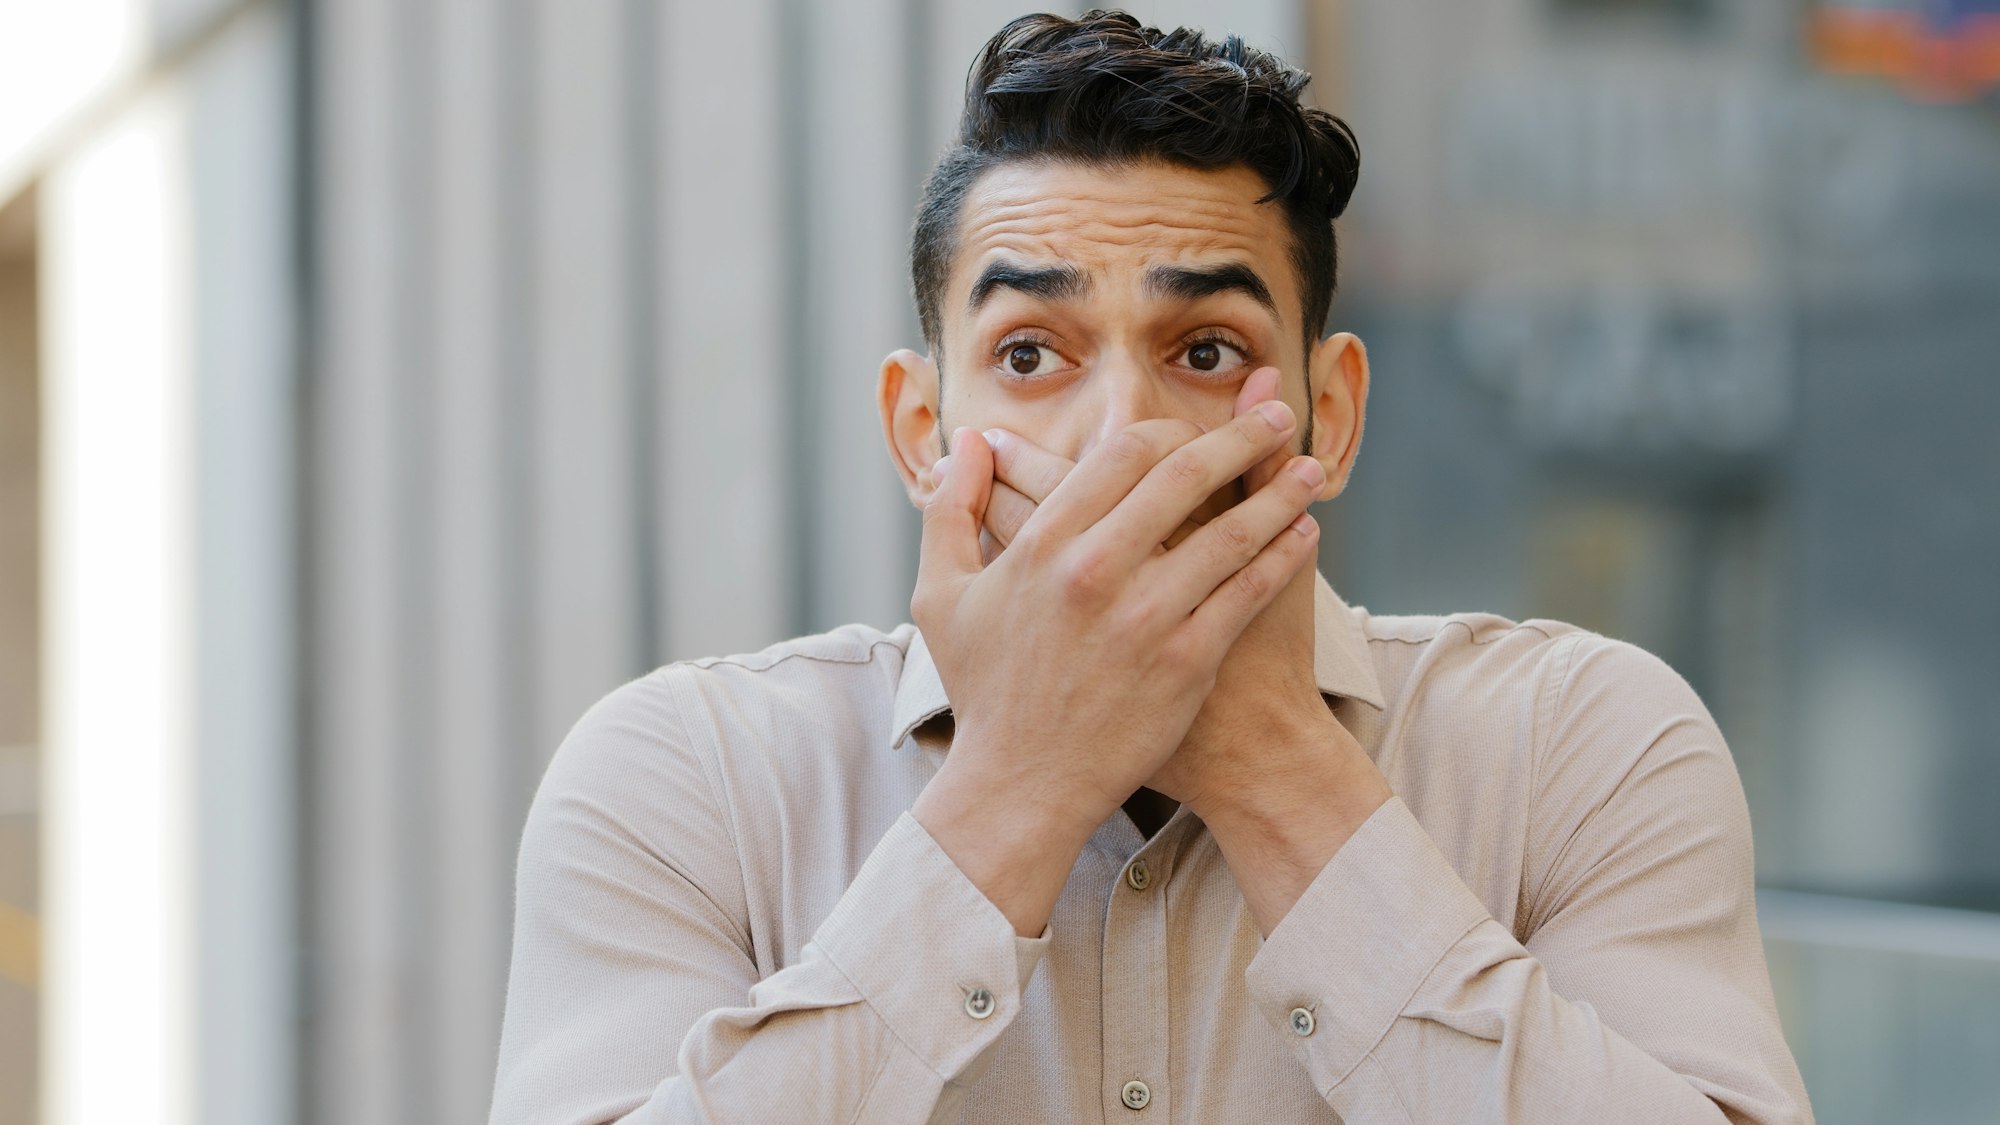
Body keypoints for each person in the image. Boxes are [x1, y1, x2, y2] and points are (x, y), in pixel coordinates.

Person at [489, 10, 1813, 1123]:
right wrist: (1017, 784)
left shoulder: (1578, 744)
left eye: (1205, 351)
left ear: (1330, 416)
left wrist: (1273, 761)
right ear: (920, 431)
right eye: (1028, 354)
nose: (1122, 434)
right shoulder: (689, 777)